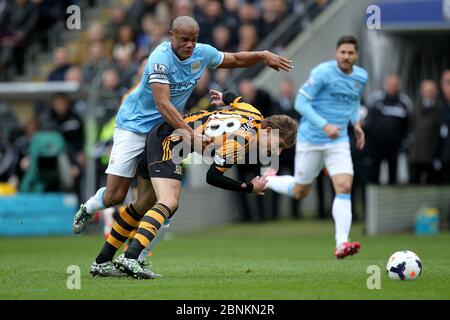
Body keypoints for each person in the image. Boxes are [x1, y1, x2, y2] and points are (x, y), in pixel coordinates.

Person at [72, 16, 293, 240]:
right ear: (171, 37)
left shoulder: (202, 53)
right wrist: (189, 134)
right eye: (184, 39)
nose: (189, 44)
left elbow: (235, 59)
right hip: (135, 126)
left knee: (159, 201)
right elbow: (162, 103)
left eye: (193, 40)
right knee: (115, 196)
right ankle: (89, 208)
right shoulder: (160, 58)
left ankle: (132, 257)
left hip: (163, 132)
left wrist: (262, 55)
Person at [91, 90, 297, 279]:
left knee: (144, 204)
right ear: (269, 130)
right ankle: (131, 257)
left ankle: (102, 260)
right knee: (169, 201)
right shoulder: (241, 143)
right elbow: (213, 177)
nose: (277, 152)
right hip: (170, 140)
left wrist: (222, 98)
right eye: (278, 145)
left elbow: (235, 98)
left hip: (165, 132)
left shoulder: (254, 112)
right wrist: (249, 187)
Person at [265, 35, 367, 259]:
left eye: (351, 53)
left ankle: (341, 243)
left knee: (344, 186)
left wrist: (356, 124)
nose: (347, 57)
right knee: (301, 192)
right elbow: (301, 103)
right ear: (336, 53)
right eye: (343, 52)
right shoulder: (323, 72)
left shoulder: (361, 76)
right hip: (311, 139)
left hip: (338, 141)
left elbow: (353, 100)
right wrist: (325, 125)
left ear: (356, 55)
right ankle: (268, 180)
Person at [364, 74, 412, 184]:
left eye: (395, 85)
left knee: (393, 176)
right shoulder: (375, 100)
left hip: (394, 147)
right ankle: (373, 199)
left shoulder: (404, 102)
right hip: (376, 146)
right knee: (373, 174)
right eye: (390, 84)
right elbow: (368, 121)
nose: (392, 87)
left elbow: (408, 126)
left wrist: (405, 143)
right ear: (385, 85)